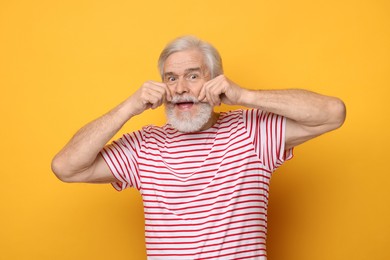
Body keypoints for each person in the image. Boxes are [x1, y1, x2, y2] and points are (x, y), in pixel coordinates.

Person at [51, 35, 346, 260]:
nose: (180, 88)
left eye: (193, 76)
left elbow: (332, 112)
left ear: (215, 81)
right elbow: (66, 167)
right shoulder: (144, 147)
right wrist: (129, 107)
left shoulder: (251, 132)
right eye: (171, 78)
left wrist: (244, 95)